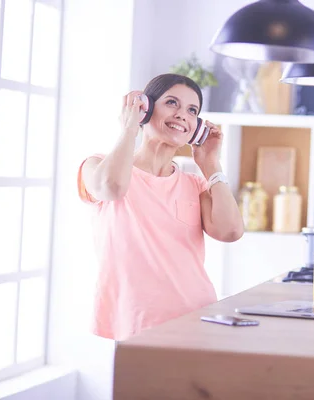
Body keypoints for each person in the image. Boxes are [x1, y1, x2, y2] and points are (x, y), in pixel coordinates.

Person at [77, 74, 244, 340]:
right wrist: (129, 128)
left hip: (198, 318)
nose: (182, 115)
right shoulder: (97, 166)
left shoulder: (195, 184)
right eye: (171, 103)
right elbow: (112, 187)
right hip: (135, 322)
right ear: (145, 108)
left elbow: (231, 231)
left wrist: (211, 164)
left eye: (192, 110)